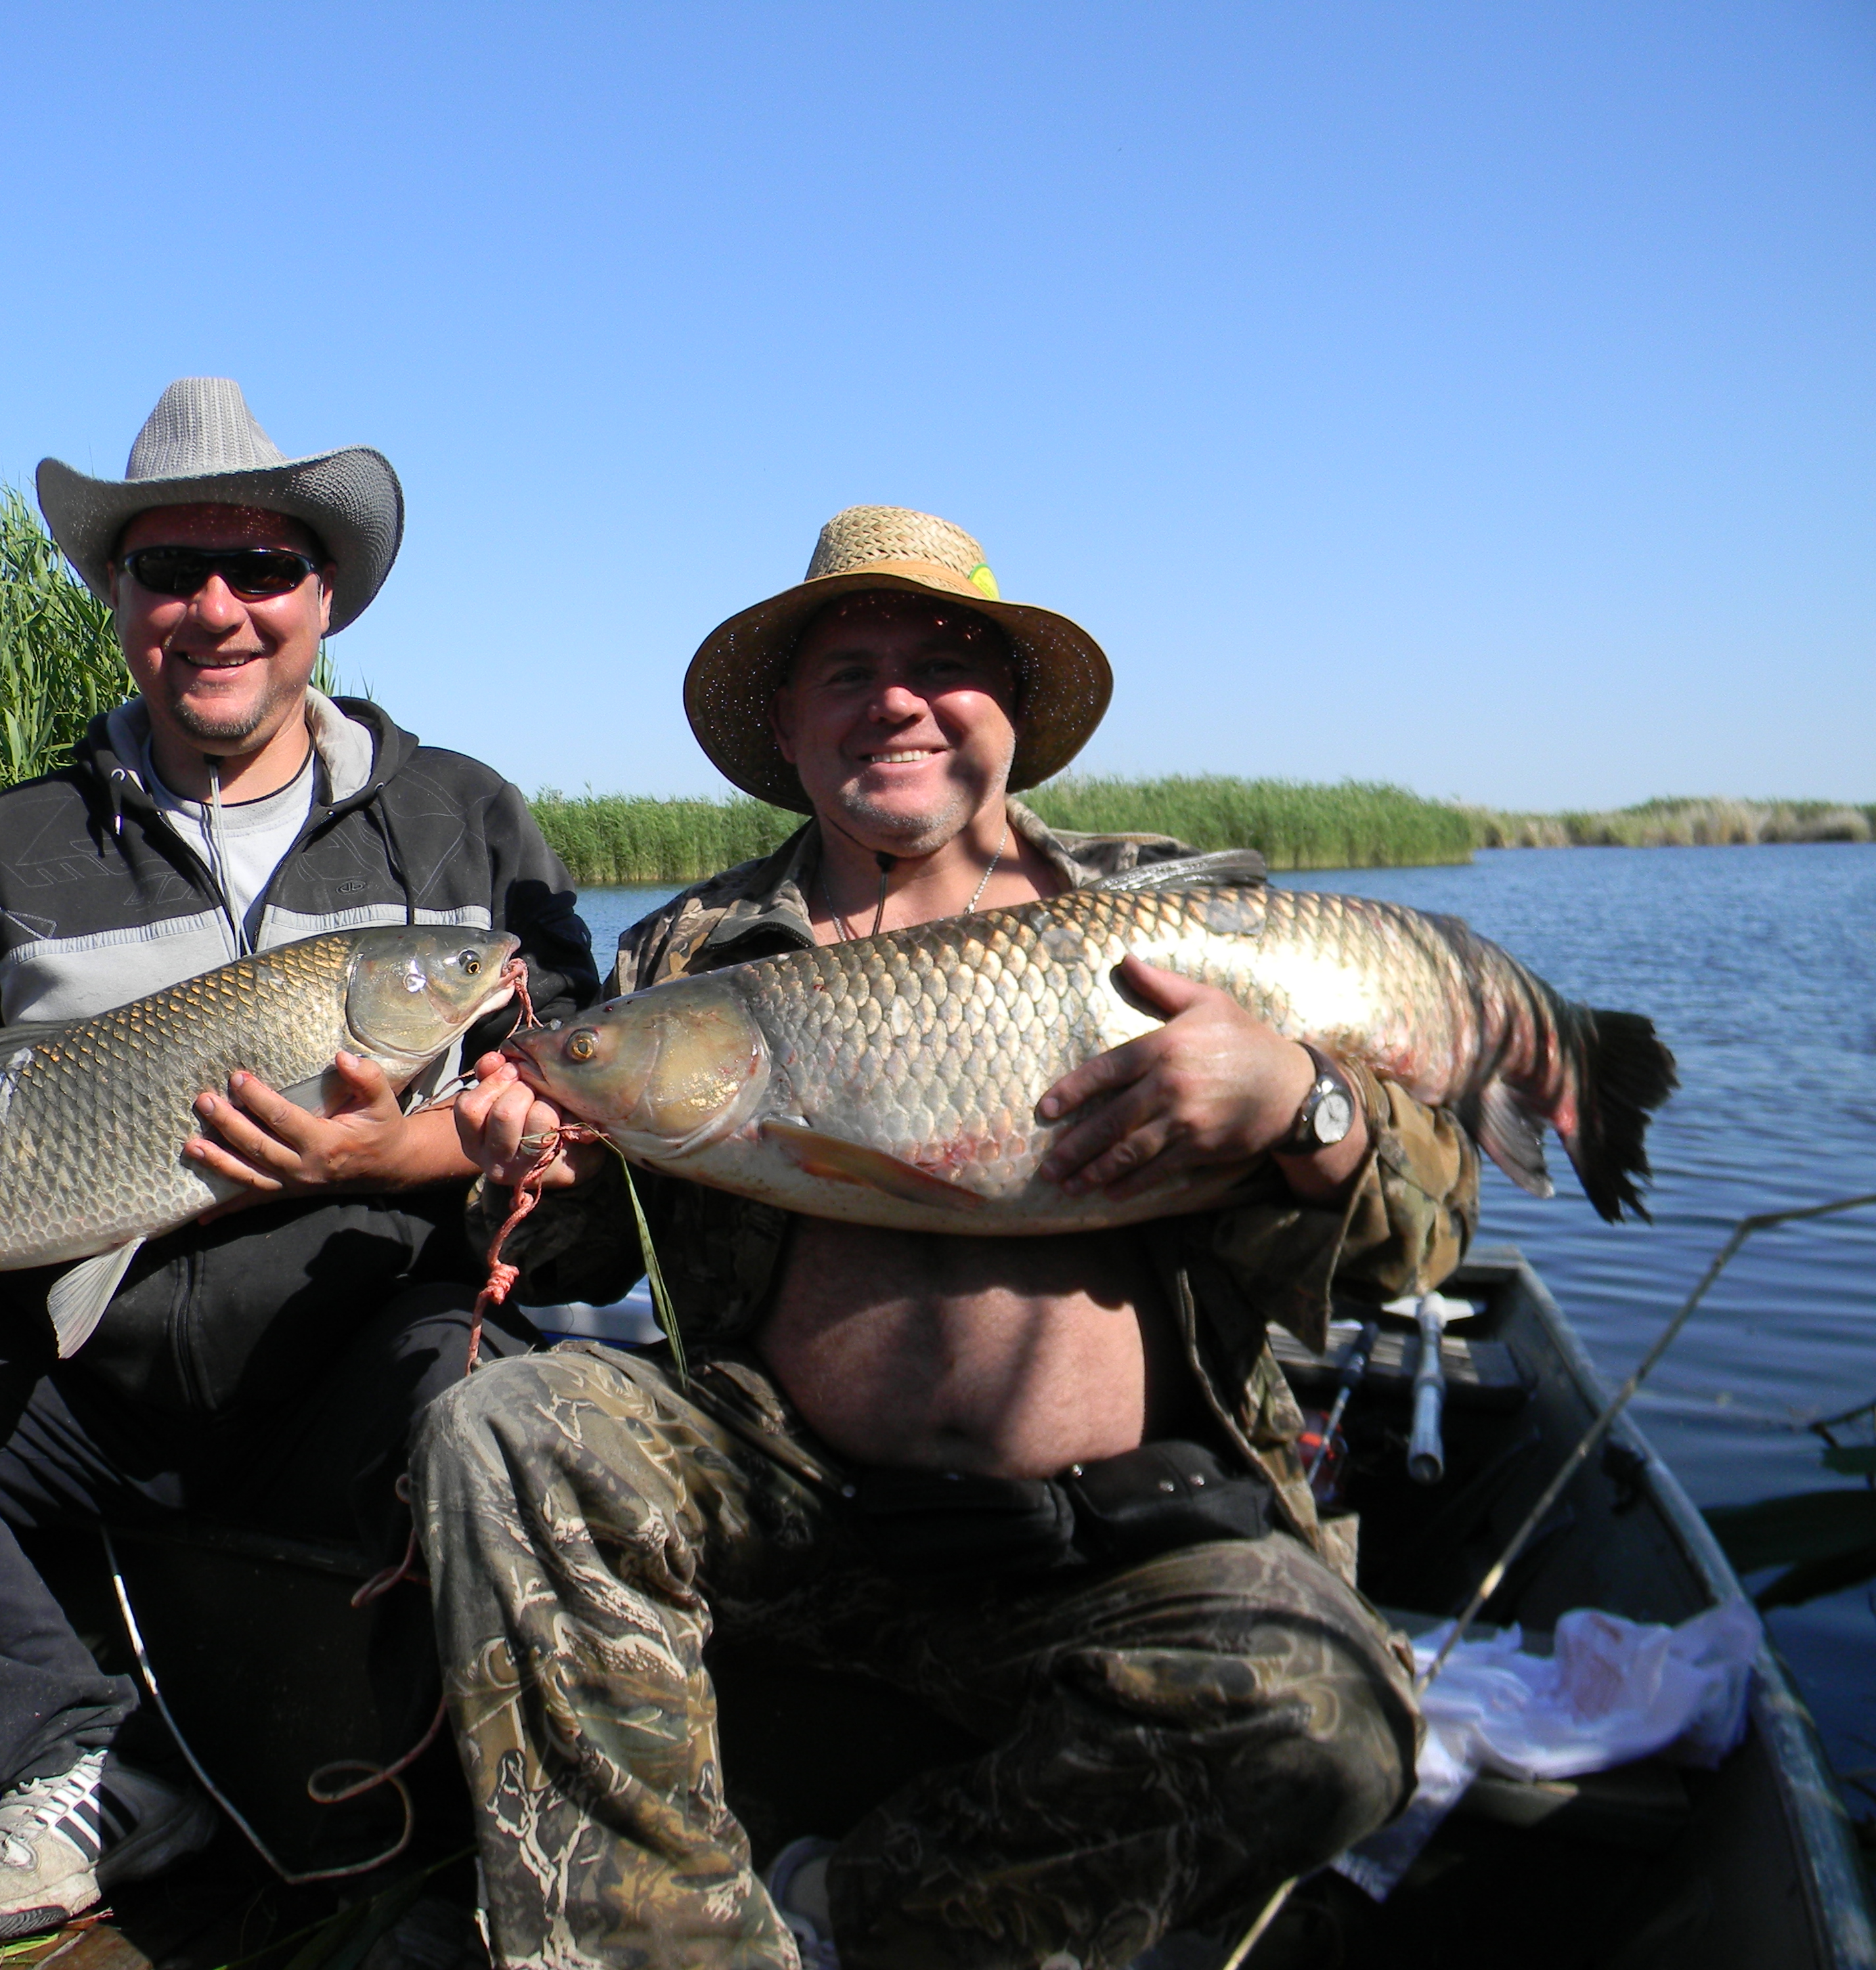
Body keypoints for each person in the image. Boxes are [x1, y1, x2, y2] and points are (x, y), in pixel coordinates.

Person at [431, 506, 1482, 1969]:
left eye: (942, 664)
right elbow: (589, 1254)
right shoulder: (683, 955)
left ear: (1012, 712)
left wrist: (1304, 1106)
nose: (898, 702)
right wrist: (530, 1172)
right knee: (501, 1421)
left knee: (1331, 1716)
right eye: (847, 671)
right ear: (787, 727)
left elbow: (1419, 1244)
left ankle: (849, 1915)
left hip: (1111, 1541)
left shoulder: (1186, 923)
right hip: (789, 1512)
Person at [0, 378, 600, 1956]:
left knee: (503, 1411)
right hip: (88, 1371)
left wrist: (396, 1152)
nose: (216, 607)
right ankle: (81, 1760)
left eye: (261, 567)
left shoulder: (460, 821)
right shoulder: (11, 848)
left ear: (323, 598)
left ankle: (451, 1827)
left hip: (355, 1358)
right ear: (118, 598)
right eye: (169, 569)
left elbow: (577, 1112)